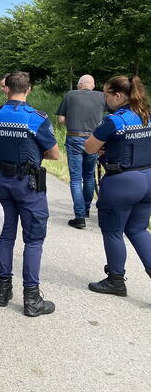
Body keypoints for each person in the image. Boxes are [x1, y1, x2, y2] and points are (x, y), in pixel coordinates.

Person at [0, 71, 60, 316]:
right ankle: (31, 298)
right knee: (34, 240)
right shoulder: (36, 118)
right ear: (29, 89)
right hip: (28, 185)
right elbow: (54, 154)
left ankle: (3, 292)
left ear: (7, 87)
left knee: (5, 237)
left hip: (1, 183)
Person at [84, 75, 151, 296]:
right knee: (138, 229)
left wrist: (106, 148)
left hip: (122, 182)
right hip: (147, 178)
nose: (105, 100)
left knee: (113, 231)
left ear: (118, 95)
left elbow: (90, 147)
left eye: (106, 95)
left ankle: (115, 280)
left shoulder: (114, 120)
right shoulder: (146, 115)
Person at [55, 74, 106, 229]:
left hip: (74, 138)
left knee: (76, 179)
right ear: (93, 84)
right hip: (93, 139)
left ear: (79, 85)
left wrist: (73, 123)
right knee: (89, 176)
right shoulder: (102, 96)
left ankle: (79, 216)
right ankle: (86, 210)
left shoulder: (70, 95)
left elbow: (61, 120)